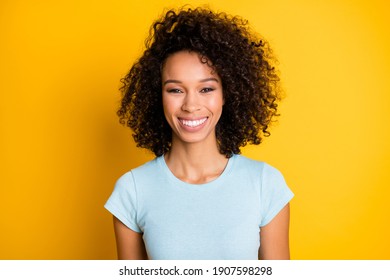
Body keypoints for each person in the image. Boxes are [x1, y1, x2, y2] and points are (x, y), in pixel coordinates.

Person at [105, 7, 294, 260]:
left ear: (227, 93)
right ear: (157, 96)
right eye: (175, 90)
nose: (191, 105)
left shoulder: (265, 184)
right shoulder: (133, 190)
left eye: (206, 89)